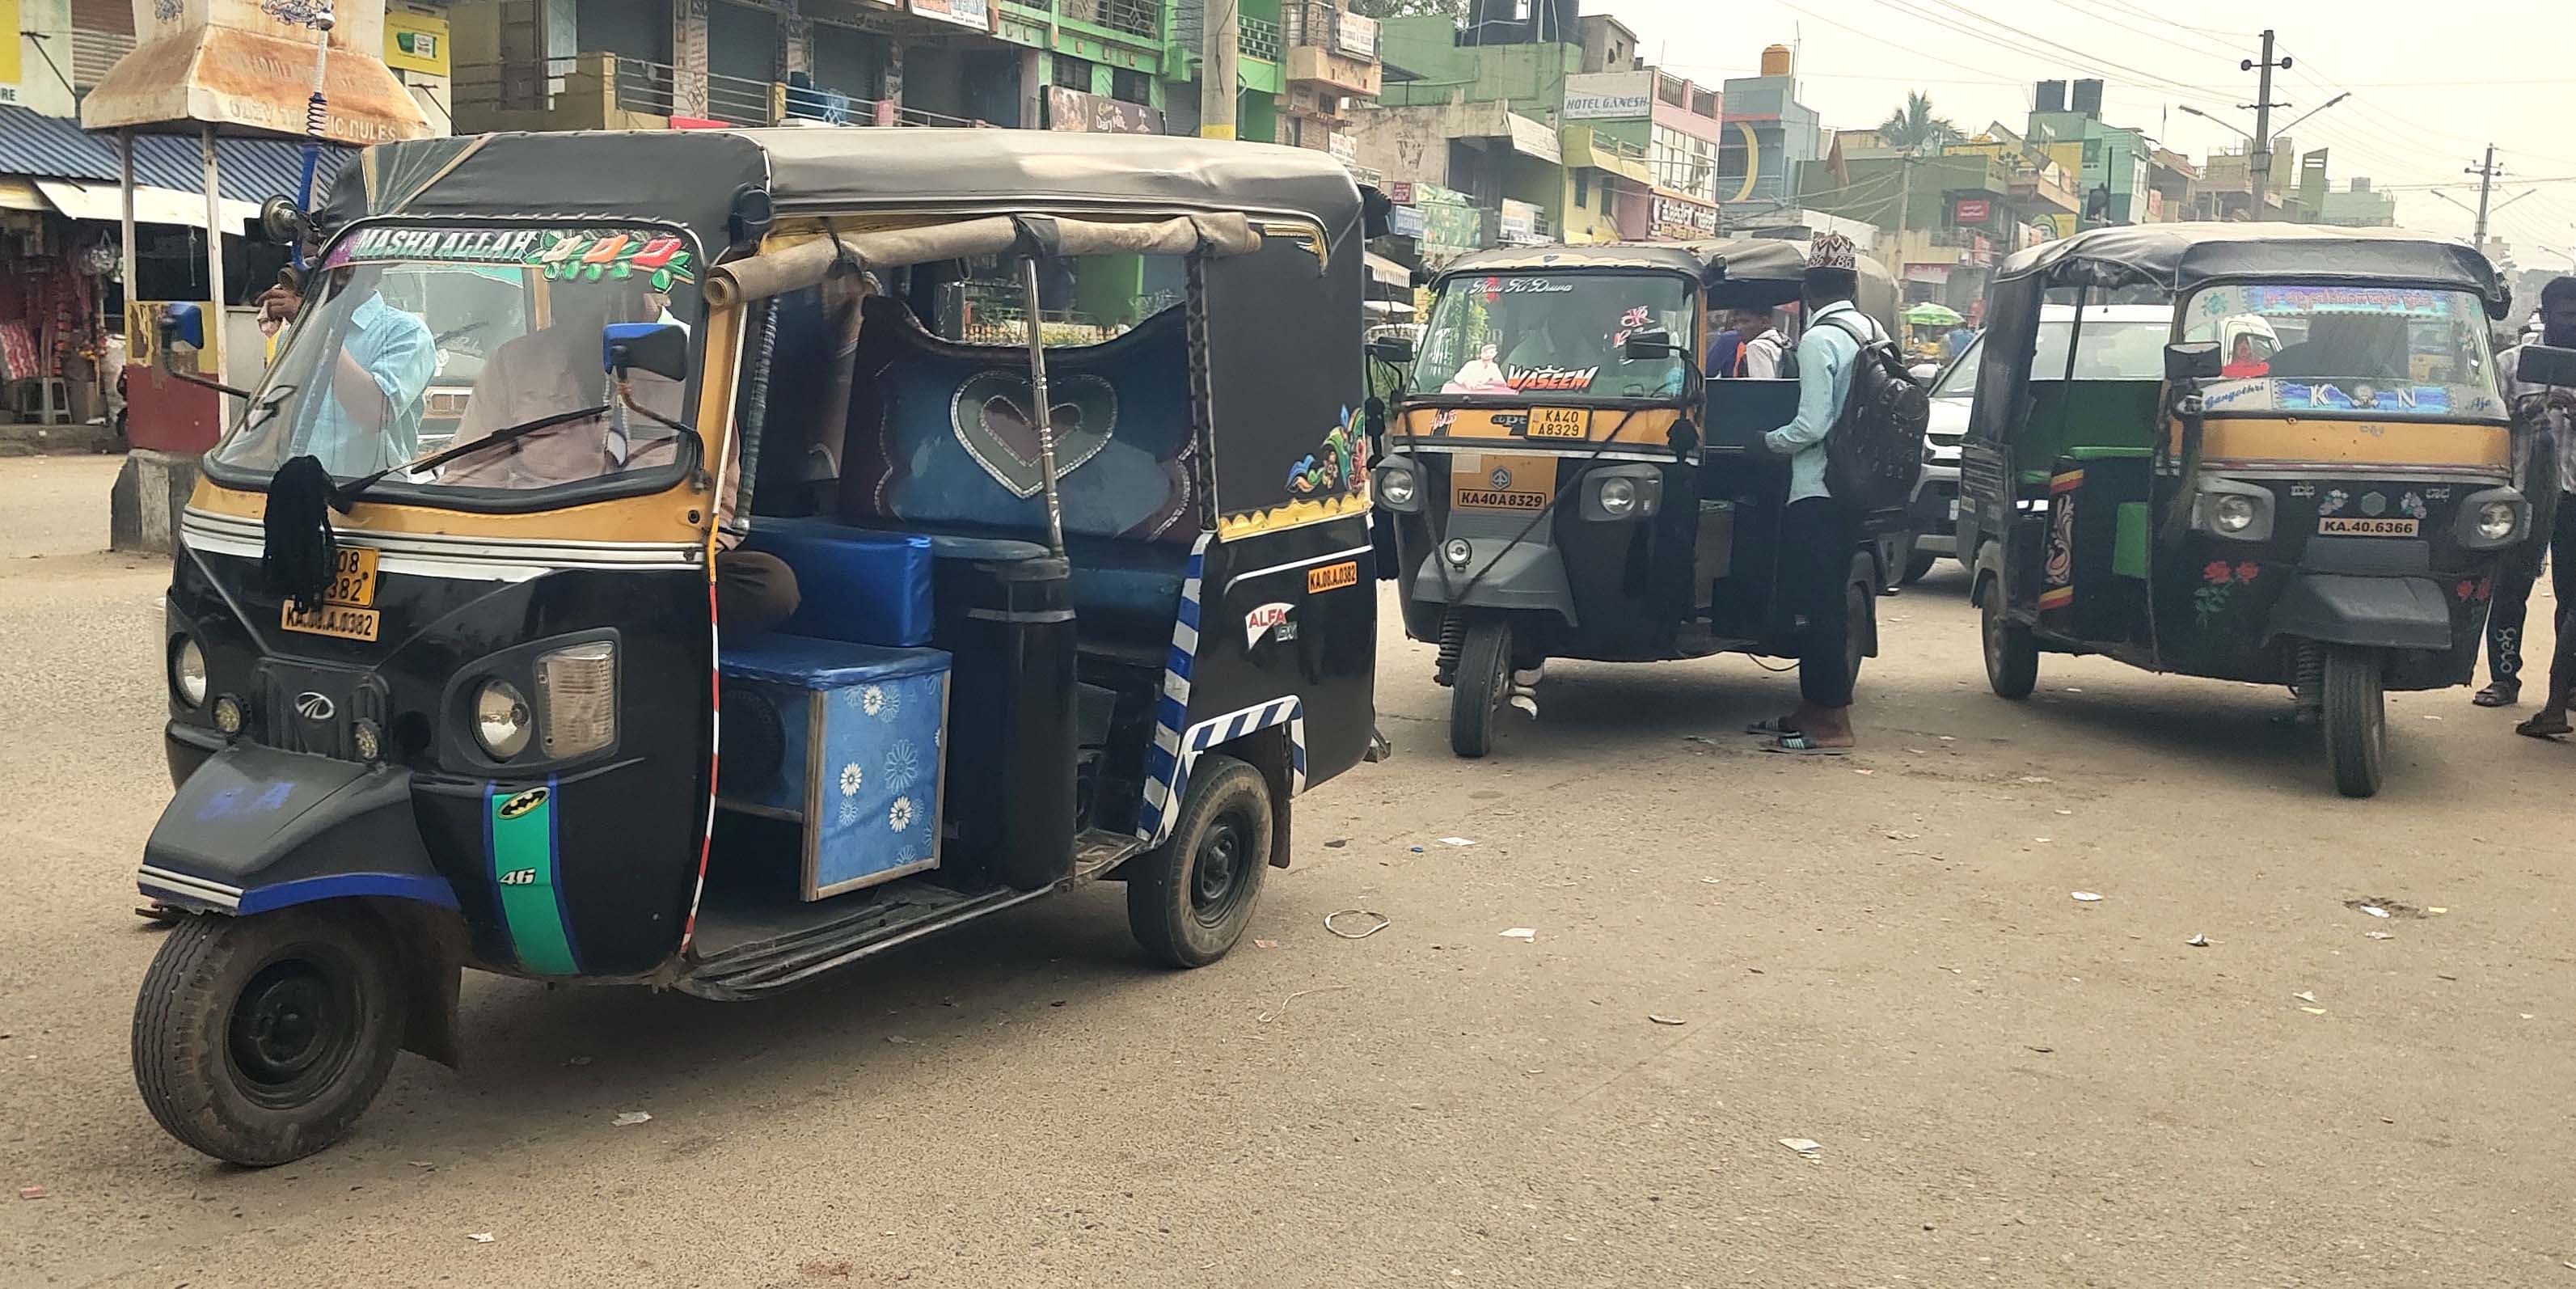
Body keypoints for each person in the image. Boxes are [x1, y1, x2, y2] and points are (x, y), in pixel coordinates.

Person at [444, 273, 800, 640]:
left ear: (653, 290)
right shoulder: (516, 361)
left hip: (656, 561)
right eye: (571, 285)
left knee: (770, 585)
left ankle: (597, 615)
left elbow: (722, 496)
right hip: (538, 555)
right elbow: (468, 478)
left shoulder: (701, 358)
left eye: (607, 288)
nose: (585, 302)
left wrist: (677, 554)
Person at [1754, 232, 1882, 754]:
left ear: (1807, 291)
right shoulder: (1871, 330)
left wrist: (1765, 444)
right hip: (1857, 484)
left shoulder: (1818, 340)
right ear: (1852, 284)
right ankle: (1813, 708)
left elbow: (1811, 424)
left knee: (1819, 605)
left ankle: (1834, 724)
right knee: (1823, 598)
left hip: (1818, 489)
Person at [2485, 276, 2576, 714]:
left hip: (2574, 498)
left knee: (2572, 596)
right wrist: (2527, 412)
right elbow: (2487, 425)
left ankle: (2569, 687)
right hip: (2521, 493)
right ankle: (2504, 679)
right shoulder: (2509, 364)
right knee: (2510, 589)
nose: (2575, 324)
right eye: (2567, 315)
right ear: (2547, 315)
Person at [256, 269, 437, 475]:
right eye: (313, 267)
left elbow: (375, 413)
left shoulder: (407, 332)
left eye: (340, 270)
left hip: (373, 497)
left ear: (372, 274)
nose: (320, 277)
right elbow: (281, 415)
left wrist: (315, 327)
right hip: (304, 492)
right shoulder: (294, 334)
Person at [1738, 309, 1790, 378]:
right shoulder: (1782, 341)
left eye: (1745, 322)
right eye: (1736, 322)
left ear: (1764, 322)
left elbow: (1761, 386)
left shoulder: (1756, 346)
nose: (1738, 327)